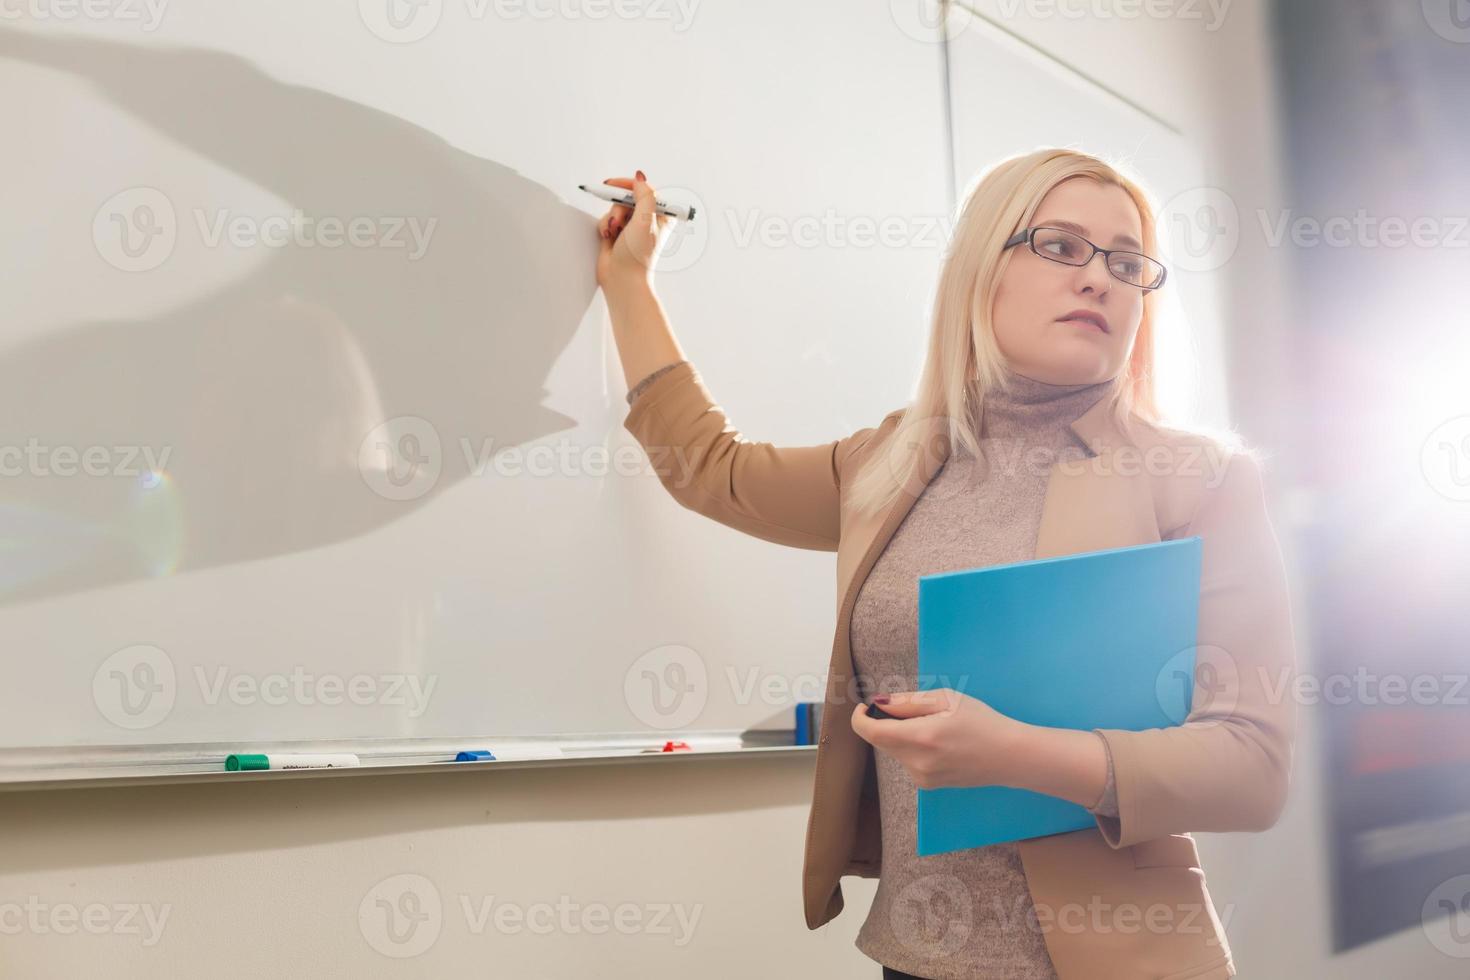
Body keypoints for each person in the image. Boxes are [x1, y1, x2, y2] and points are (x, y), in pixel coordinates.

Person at [593, 149, 1297, 980]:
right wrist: (629, 281)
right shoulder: (888, 464)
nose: (1100, 279)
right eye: (1063, 246)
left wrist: (1016, 753)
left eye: (1126, 261)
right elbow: (710, 469)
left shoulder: (1199, 480)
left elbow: (1253, 765)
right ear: (979, 268)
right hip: (913, 955)